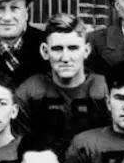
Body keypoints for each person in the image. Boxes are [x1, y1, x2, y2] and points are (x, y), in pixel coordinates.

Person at [14, 13, 109, 143]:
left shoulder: (103, 89)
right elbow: (18, 144)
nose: (65, 58)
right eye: (57, 49)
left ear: (86, 51)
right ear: (45, 52)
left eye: (73, 48)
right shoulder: (30, 91)